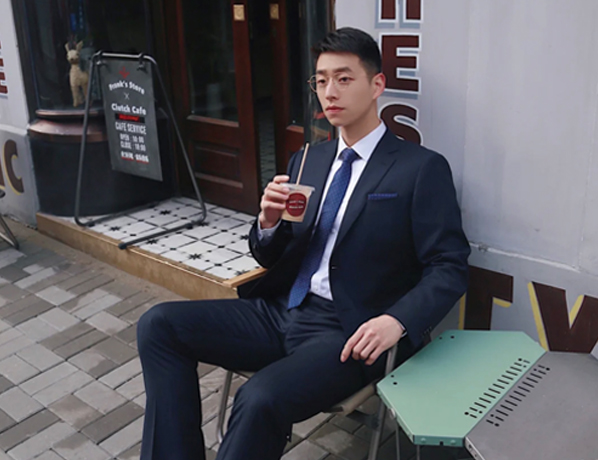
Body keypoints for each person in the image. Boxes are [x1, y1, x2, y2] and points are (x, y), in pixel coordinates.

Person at [137, 27, 470, 460]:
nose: (330, 92)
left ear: (376, 85)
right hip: (281, 310)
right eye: (321, 80)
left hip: (348, 331)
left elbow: (449, 265)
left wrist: (397, 321)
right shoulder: (308, 159)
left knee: (259, 398)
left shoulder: (419, 168)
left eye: (344, 79)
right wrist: (267, 224)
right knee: (158, 325)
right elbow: (269, 253)